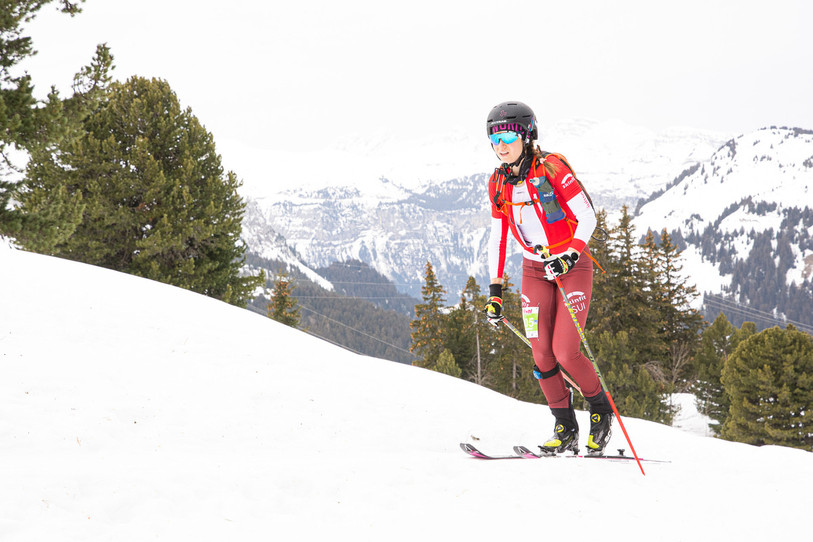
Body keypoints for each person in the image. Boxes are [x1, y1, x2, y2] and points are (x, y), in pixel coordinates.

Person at [482, 101, 613, 455]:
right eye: (494, 137)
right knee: (541, 352)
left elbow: (587, 216)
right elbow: (498, 237)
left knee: (566, 351)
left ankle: (601, 412)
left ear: (527, 135)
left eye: (508, 135)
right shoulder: (498, 182)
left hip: (571, 265)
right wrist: (495, 291)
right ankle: (564, 424)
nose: (501, 144)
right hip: (533, 270)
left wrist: (569, 254)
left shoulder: (552, 168)